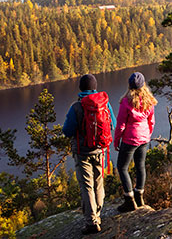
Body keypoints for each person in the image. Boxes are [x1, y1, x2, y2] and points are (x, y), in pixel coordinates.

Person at [62, 74, 115, 235]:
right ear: (95, 87)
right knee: (98, 182)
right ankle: (97, 214)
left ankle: (92, 221)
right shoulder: (105, 104)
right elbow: (112, 123)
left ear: (81, 88)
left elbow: (67, 131)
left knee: (86, 185)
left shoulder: (76, 107)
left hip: (82, 151)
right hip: (100, 150)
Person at [114, 72, 157, 212]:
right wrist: (147, 134)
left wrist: (116, 140)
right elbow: (151, 121)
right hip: (144, 138)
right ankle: (139, 196)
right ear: (143, 84)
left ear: (129, 85)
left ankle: (129, 200)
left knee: (122, 167)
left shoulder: (126, 101)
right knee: (140, 166)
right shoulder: (149, 100)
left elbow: (120, 124)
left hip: (130, 139)